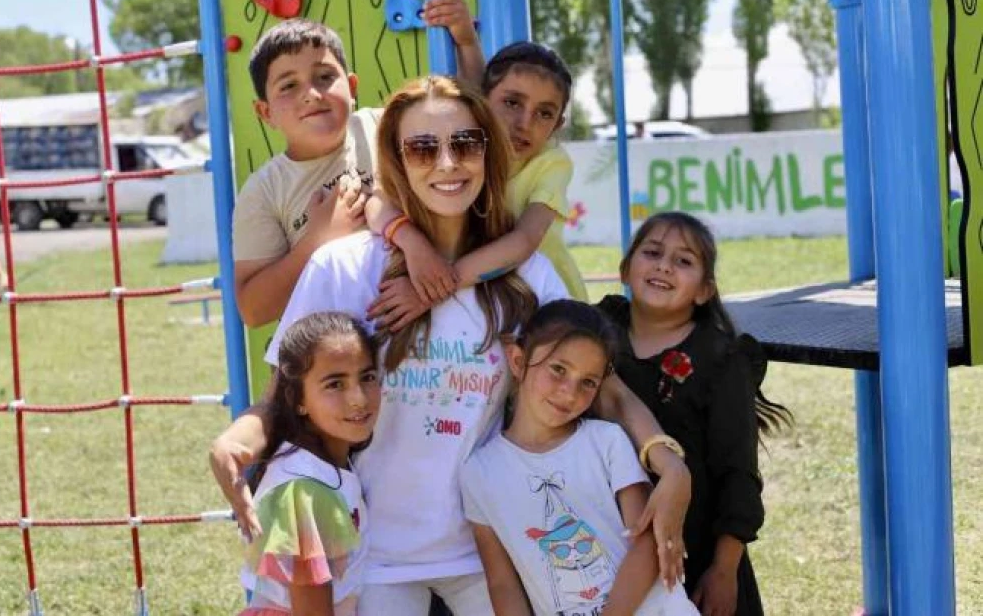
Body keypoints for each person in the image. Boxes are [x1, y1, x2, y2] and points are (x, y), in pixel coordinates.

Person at [212, 76, 690, 616]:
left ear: (487, 151)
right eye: (423, 147)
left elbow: (605, 389)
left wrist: (669, 463)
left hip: (490, 546)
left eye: (465, 144)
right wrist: (235, 441)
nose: (447, 163)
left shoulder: (526, 275)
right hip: (371, 549)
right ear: (395, 157)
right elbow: (282, 400)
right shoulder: (343, 268)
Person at [231, 8, 484, 328]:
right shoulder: (263, 191)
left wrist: (466, 42)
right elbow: (253, 310)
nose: (311, 94)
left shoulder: (387, 126)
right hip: (342, 353)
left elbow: (469, 115)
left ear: (351, 87)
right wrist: (316, 240)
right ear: (265, 112)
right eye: (288, 86)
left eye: (325, 77)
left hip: (436, 324)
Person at [595, 212, 793, 616]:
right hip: (609, 542)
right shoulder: (596, 332)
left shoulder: (721, 360)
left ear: (704, 291)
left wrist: (724, 569)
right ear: (624, 268)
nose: (664, 265)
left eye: (683, 260)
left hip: (696, 551)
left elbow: (737, 473)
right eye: (652, 252)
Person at [460, 299, 698, 616]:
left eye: (588, 382)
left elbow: (645, 543)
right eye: (558, 370)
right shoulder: (479, 473)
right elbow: (503, 583)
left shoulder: (606, 441)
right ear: (518, 361)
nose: (569, 393)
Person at [366, 42, 588, 336]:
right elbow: (377, 199)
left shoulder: (551, 163)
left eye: (544, 113)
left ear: (558, 124)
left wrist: (434, 286)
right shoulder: (466, 151)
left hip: (544, 301)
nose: (524, 123)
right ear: (482, 102)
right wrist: (414, 245)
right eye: (512, 103)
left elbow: (523, 241)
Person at [240, 311, 381, 616]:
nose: (358, 398)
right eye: (335, 384)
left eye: (367, 377)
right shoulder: (303, 490)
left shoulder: (328, 468)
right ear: (298, 399)